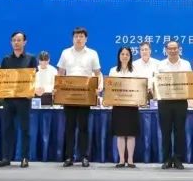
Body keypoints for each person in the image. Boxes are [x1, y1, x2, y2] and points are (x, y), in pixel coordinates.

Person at [57, 26, 102, 167]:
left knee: (83, 127)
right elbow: (60, 73)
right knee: (69, 127)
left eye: (81, 36)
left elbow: (97, 73)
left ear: (86, 39)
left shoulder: (92, 53)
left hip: (85, 96)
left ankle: (84, 157)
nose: (78, 39)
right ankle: (69, 157)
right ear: (73, 38)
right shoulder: (65, 53)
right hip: (69, 96)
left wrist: (99, 87)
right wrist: (57, 89)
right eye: (76, 36)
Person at [0, 30, 38, 168]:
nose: (16, 42)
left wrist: (32, 91)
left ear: (24, 42)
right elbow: (1, 79)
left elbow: (34, 78)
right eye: (14, 40)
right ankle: (6, 157)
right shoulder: (6, 59)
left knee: (25, 129)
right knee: (7, 128)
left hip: (24, 99)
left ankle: (24, 157)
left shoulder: (31, 59)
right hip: (9, 99)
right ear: (11, 42)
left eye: (19, 40)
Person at [156, 40, 192, 169]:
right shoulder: (160, 65)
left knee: (179, 131)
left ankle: (178, 159)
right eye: (170, 48)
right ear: (166, 50)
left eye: (175, 48)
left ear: (179, 49)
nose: (173, 51)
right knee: (165, 131)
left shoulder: (186, 64)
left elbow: (190, 82)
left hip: (181, 102)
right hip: (164, 102)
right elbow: (156, 82)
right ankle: (166, 159)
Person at [109, 46, 141, 168]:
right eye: (122, 54)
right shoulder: (113, 71)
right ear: (119, 56)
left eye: (127, 54)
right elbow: (110, 88)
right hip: (118, 106)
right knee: (121, 133)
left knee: (131, 134)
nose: (124, 56)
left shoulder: (135, 71)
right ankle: (121, 160)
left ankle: (130, 160)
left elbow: (139, 88)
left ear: (130, 56)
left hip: (132, 106)